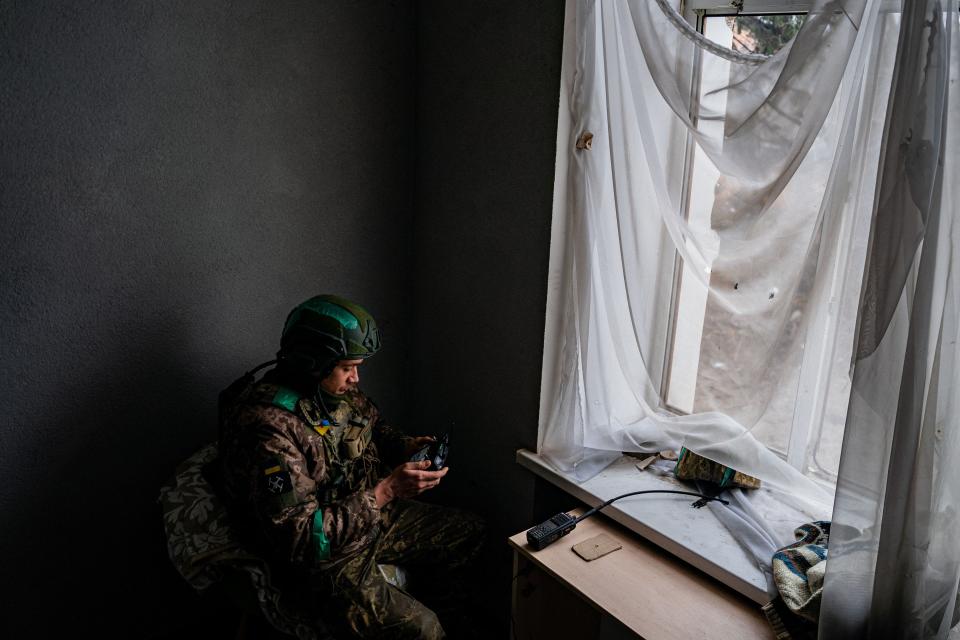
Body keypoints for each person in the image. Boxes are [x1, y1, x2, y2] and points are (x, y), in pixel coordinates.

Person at [217, 294, 486, 639]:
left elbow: (373, 426)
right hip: (326, 554)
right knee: (425, 630)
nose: (356, 378)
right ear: (313, 362)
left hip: (365, 513)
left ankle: (451, 617)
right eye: (347, 368)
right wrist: (386, 491)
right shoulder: (269, 431)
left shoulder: (333, 391)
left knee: (468, 532)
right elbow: (302, 541)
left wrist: (404, 446)